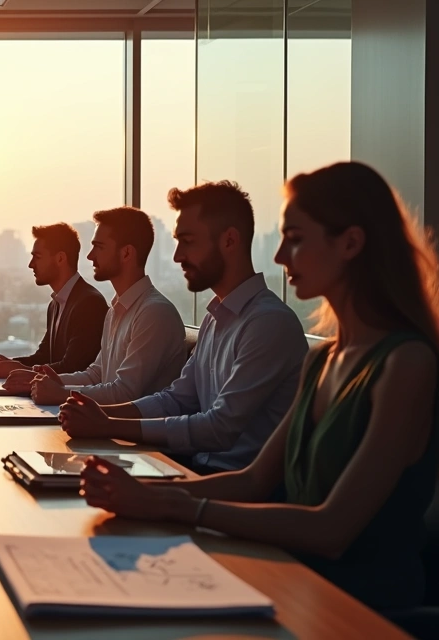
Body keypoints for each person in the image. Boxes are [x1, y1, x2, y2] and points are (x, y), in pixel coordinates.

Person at [80, 162, 439, 611]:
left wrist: (172, 506)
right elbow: (252, 481)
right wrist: (144, 496)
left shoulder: (407, 364)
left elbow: (331, 530)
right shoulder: (324, 360)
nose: (279, 256)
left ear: (350, 243)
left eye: (296, 238)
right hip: (295, 578)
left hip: (357, 608)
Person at [59, 181, 308, 474]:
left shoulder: (268, 323)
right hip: (193, 469)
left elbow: (218, 428)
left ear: (229, 241)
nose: (177, 256)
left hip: (232, 490)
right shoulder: (215, 318)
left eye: (188, 241)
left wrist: (108, 425)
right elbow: (176, 399)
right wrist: (98, 417)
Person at [4, 207, 186, 406]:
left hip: (129, 435)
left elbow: (124, 392)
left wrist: (61, 393)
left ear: (126, 253)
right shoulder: (116, 310)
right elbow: (96, 374)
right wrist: (40, 380)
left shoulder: (154, 313)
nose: (90, 256)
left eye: (99, 247)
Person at [0, 222, 106, 379]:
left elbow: (73, 368)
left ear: (60, 258)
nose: (31, 264)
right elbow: (43, 358)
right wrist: (2, 363)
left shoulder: (89, 304)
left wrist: (16, 371)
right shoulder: (55, 304)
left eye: (37, 257)